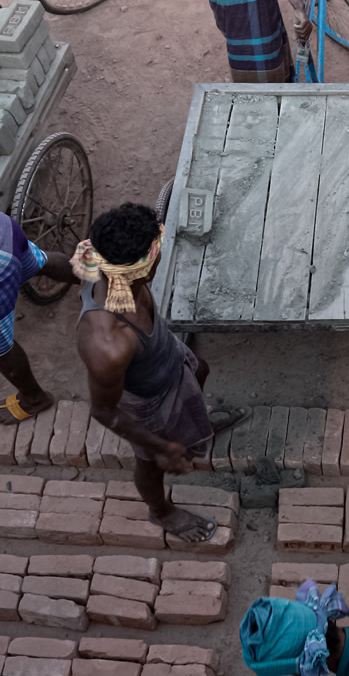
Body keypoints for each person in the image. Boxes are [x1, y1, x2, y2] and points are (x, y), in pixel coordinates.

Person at [74, 203, 244, 545]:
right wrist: (162, 447)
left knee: (201, 371)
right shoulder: (109, 344)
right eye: (159, 245)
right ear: (148, 267)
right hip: (148, 403)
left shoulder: (97, 260)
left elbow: (69, 268)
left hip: (167, 357)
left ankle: (197, 427)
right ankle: (161, 511)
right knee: (149, 464)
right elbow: (104, 410)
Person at [0, 212, 77, 423]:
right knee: (38, 261)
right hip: (4, 231)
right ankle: (97, 278)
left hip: (1, 262)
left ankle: (34, 399)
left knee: (1, 348)